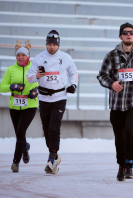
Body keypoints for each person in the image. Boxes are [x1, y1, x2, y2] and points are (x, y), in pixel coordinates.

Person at [97, 22, 133, 182]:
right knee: (119, 137)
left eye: (131, 32)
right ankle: (121, 166)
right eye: (125, 32)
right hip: (116, 104)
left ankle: (129, 165)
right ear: (120, 36)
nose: (129, 35)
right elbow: (101, 75)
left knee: (130, 129)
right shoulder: (111, 55)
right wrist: (112, 84)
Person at [26, 30, 78, 174]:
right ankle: (55, 155)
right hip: (43, 98)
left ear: (58, 44)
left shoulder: (66, 57)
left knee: (54, 127)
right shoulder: (39, 58)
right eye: (49, 44)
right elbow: (28, 77)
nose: (51, 47)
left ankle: (50, 159)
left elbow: (74, 72)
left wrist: (73, 85)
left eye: (54, 44)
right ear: (46, 44)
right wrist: (36, 75)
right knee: (47, 129)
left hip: (59, 97)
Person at [0, 40, 38, 172]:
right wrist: (12, 87)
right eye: (18, 55)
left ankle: (15, 163)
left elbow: (42, 84)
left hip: (30, 106)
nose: (21, 57)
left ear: (28, 56)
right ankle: (25, 147)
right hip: (15, 107)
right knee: (19, 134)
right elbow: (1, 86)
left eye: (23, 55)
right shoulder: (11, 70)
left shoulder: (34, 68)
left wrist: (36, 92)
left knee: (21, 131)